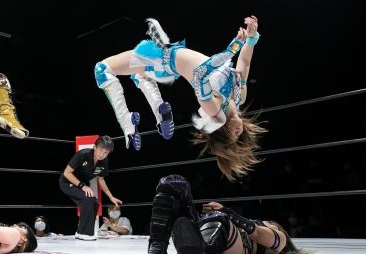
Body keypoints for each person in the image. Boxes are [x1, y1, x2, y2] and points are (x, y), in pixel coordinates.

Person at [95, 16, 265, 181]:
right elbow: (244, 63)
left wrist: (231, 50)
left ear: (221, 131)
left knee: (102, 69)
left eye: (233, 137)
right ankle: (159, 113)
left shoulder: (214, 109)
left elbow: (200, 76)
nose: (238, 133)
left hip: (162, 60)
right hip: (167, 56)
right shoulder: (240, 97)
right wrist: (251, 39)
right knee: (140, 75)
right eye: (239, 137)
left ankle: (127, 123)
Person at [143, 174, 307, 254]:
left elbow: (257, 233)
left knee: (218, 218)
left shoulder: (279, 238)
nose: (268, 221)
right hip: (206, 229)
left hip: (233, 246)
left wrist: (227, 213)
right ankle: (157, 253)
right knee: (174, 183)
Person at [59, 135, 122, 241]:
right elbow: (67, 173)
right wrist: (82, 186)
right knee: (88, 198)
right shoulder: (82, 154)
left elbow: (101, 180)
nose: (102, 154)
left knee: (95, 203)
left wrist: (111, 197)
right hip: (67, 182)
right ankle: (85, 233)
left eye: (106, 152)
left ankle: (80, 231)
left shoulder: (104, 162)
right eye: (101, 150)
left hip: (82, 185)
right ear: (95, 147)